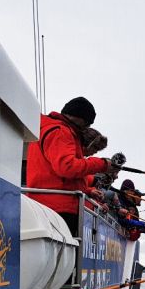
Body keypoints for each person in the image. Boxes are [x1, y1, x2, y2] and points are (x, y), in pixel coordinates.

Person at [26, 97, 116, 236]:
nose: (86, 127)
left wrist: (87, 189)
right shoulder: (60, 131)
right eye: (87, 123)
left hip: (50, 205)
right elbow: (67, 167)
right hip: (58, 208)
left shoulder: (50, 128)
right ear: (80, 118)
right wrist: (102, 164)